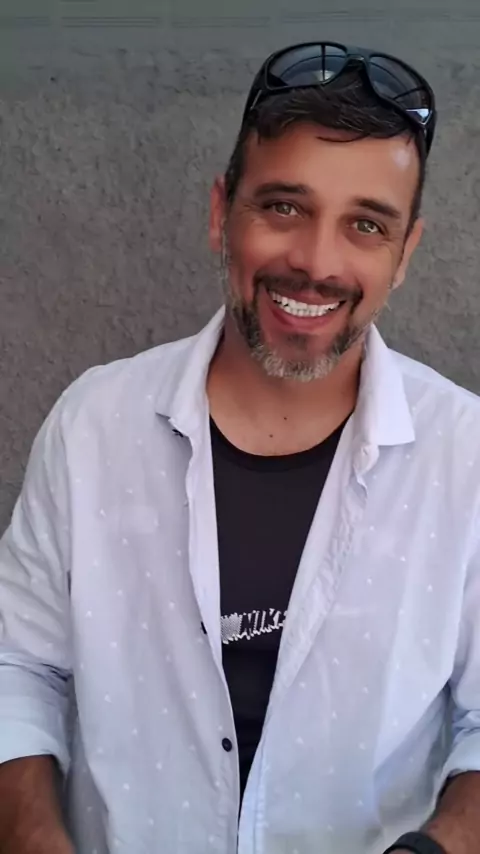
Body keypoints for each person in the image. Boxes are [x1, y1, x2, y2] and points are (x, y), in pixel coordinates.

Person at [0, 40, 480, 854]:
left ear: (405, 255)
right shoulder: (93, 425)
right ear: (222, 214)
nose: (316, 262)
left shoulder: (466, 457)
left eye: (366, 225)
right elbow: (19, 666)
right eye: (284, 207)